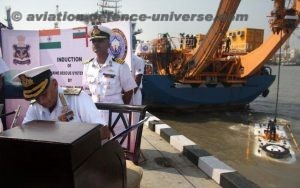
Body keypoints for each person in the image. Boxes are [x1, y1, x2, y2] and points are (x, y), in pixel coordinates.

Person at [12, 64, 109, 139]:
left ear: (55, 84)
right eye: (36, 97)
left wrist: (73, 138)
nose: (41, 101)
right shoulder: (35, 105)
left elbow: (104, 132)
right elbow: (26, 133)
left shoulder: (77, 98)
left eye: (44, 94)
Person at [82, 25, 137, 125]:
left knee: (118, 141)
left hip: (116, 116)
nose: (96, 44)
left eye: (100, 41)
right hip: (95, 115)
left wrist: (120, 109)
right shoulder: (87, 66)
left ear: (109, 44)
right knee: (97, 141)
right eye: (94, 41)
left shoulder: (120, 65)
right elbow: (86, 92)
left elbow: (129, 91)